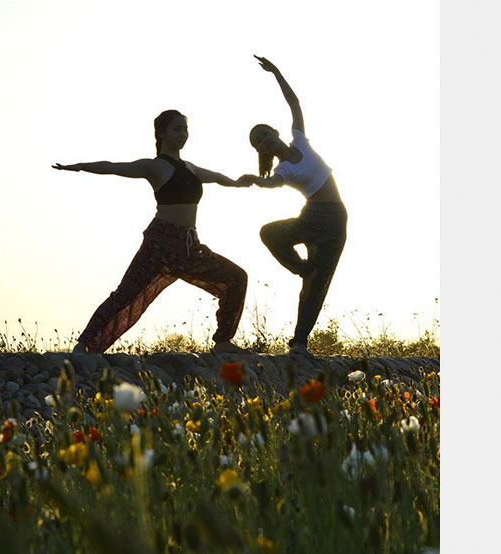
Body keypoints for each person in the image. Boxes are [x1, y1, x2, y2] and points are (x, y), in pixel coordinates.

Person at [53, 110, 253, 354]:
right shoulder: (155, 167)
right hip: (160, 244)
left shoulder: (191, 168)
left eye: (185, 129)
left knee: (236, 277)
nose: (183, 134)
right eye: (176, 129)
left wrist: (238, 182)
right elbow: (115, 167)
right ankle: (84, 345)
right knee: (125, 294)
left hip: (189, 246)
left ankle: (223, 342)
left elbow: (220, 178)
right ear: (161, 134)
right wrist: (81, 167)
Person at [242, 56, 348, 358]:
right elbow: (271, 184)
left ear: (274, 132)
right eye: (258, 142)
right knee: (270, 233)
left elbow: (295, 103)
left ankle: (299, 342)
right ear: (261, 150)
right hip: (312, 216)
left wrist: (275, 72)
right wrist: (253, 180)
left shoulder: (300, 140)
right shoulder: (282, 172)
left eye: (263, 133)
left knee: (320, 283)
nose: (263, 140)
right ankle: (303, 269)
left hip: (336, 217)